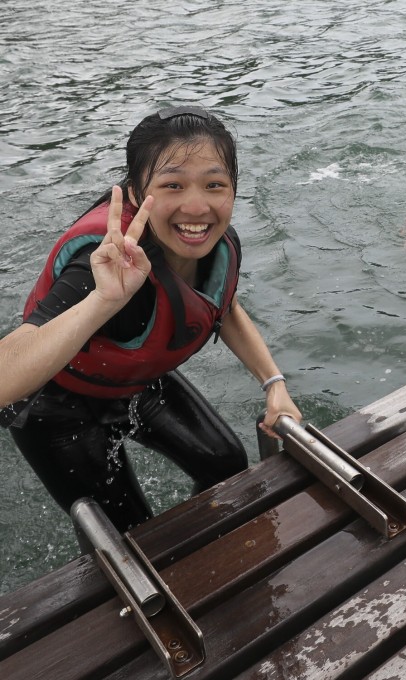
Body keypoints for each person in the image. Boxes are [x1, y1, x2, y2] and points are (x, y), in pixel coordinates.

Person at [0, 106, 302, 532]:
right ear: (138, 194)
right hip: (59, 405)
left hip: (134, 383)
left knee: (227, 465)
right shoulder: (102, 263)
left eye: (215, 184)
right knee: (135, 534)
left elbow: (224, 306)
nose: (197, 207)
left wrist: (275, 384)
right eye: (172, 185)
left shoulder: (216, 244)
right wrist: (104, 301)